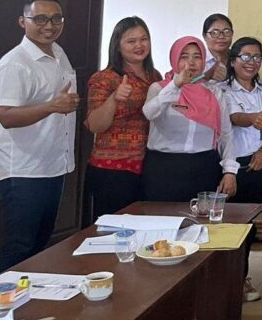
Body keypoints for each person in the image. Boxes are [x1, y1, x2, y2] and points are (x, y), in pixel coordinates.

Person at [0, 0, 79, 272]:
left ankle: (28, 298)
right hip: (23, 171)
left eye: (56, 19)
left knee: (39, 246)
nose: (49, 25)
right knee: (18, 248)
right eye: (40, 19)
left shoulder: (59, 54)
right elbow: (5, 115)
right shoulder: (15, 63)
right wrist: (52, 106)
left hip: (52, 166)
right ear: (23, 22)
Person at [221, 36, 262, 303]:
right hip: (230, 164)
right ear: (233, 60)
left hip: (259, 162)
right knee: (226, 225)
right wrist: (252, 119)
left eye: (257, 57)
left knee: (249, 225)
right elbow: (233, 119)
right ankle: (223, 280)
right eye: (245, 56)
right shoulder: (223, 90)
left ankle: (241, 278)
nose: (251, 62)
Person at [84, 16, 162, 219]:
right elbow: (95, 125)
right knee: (111, 231)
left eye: (143, 39)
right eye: (131, 41)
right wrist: (114, 98)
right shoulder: (104, 78)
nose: (139, 45)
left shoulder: (155, 76)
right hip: (112, 172)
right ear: (117, 46)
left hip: (148, 167)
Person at [142, 37, 238, 202]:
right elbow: (149, 113)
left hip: (204, 167)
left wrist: (229, 171)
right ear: (174, 59)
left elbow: (226, 134)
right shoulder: (159, 88)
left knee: (203, 218)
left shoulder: (214, 93)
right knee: (161, 216)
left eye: (197, 56)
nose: (191, 62)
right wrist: (175, 86)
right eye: (184, 56)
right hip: (164, 169)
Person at [203, 13, 234, 83]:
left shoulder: (238, 58)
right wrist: (206, 76)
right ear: (204, 36)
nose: (221, 37)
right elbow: (186, 83)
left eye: (226, 32)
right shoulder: (197, 60)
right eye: (214, 33)